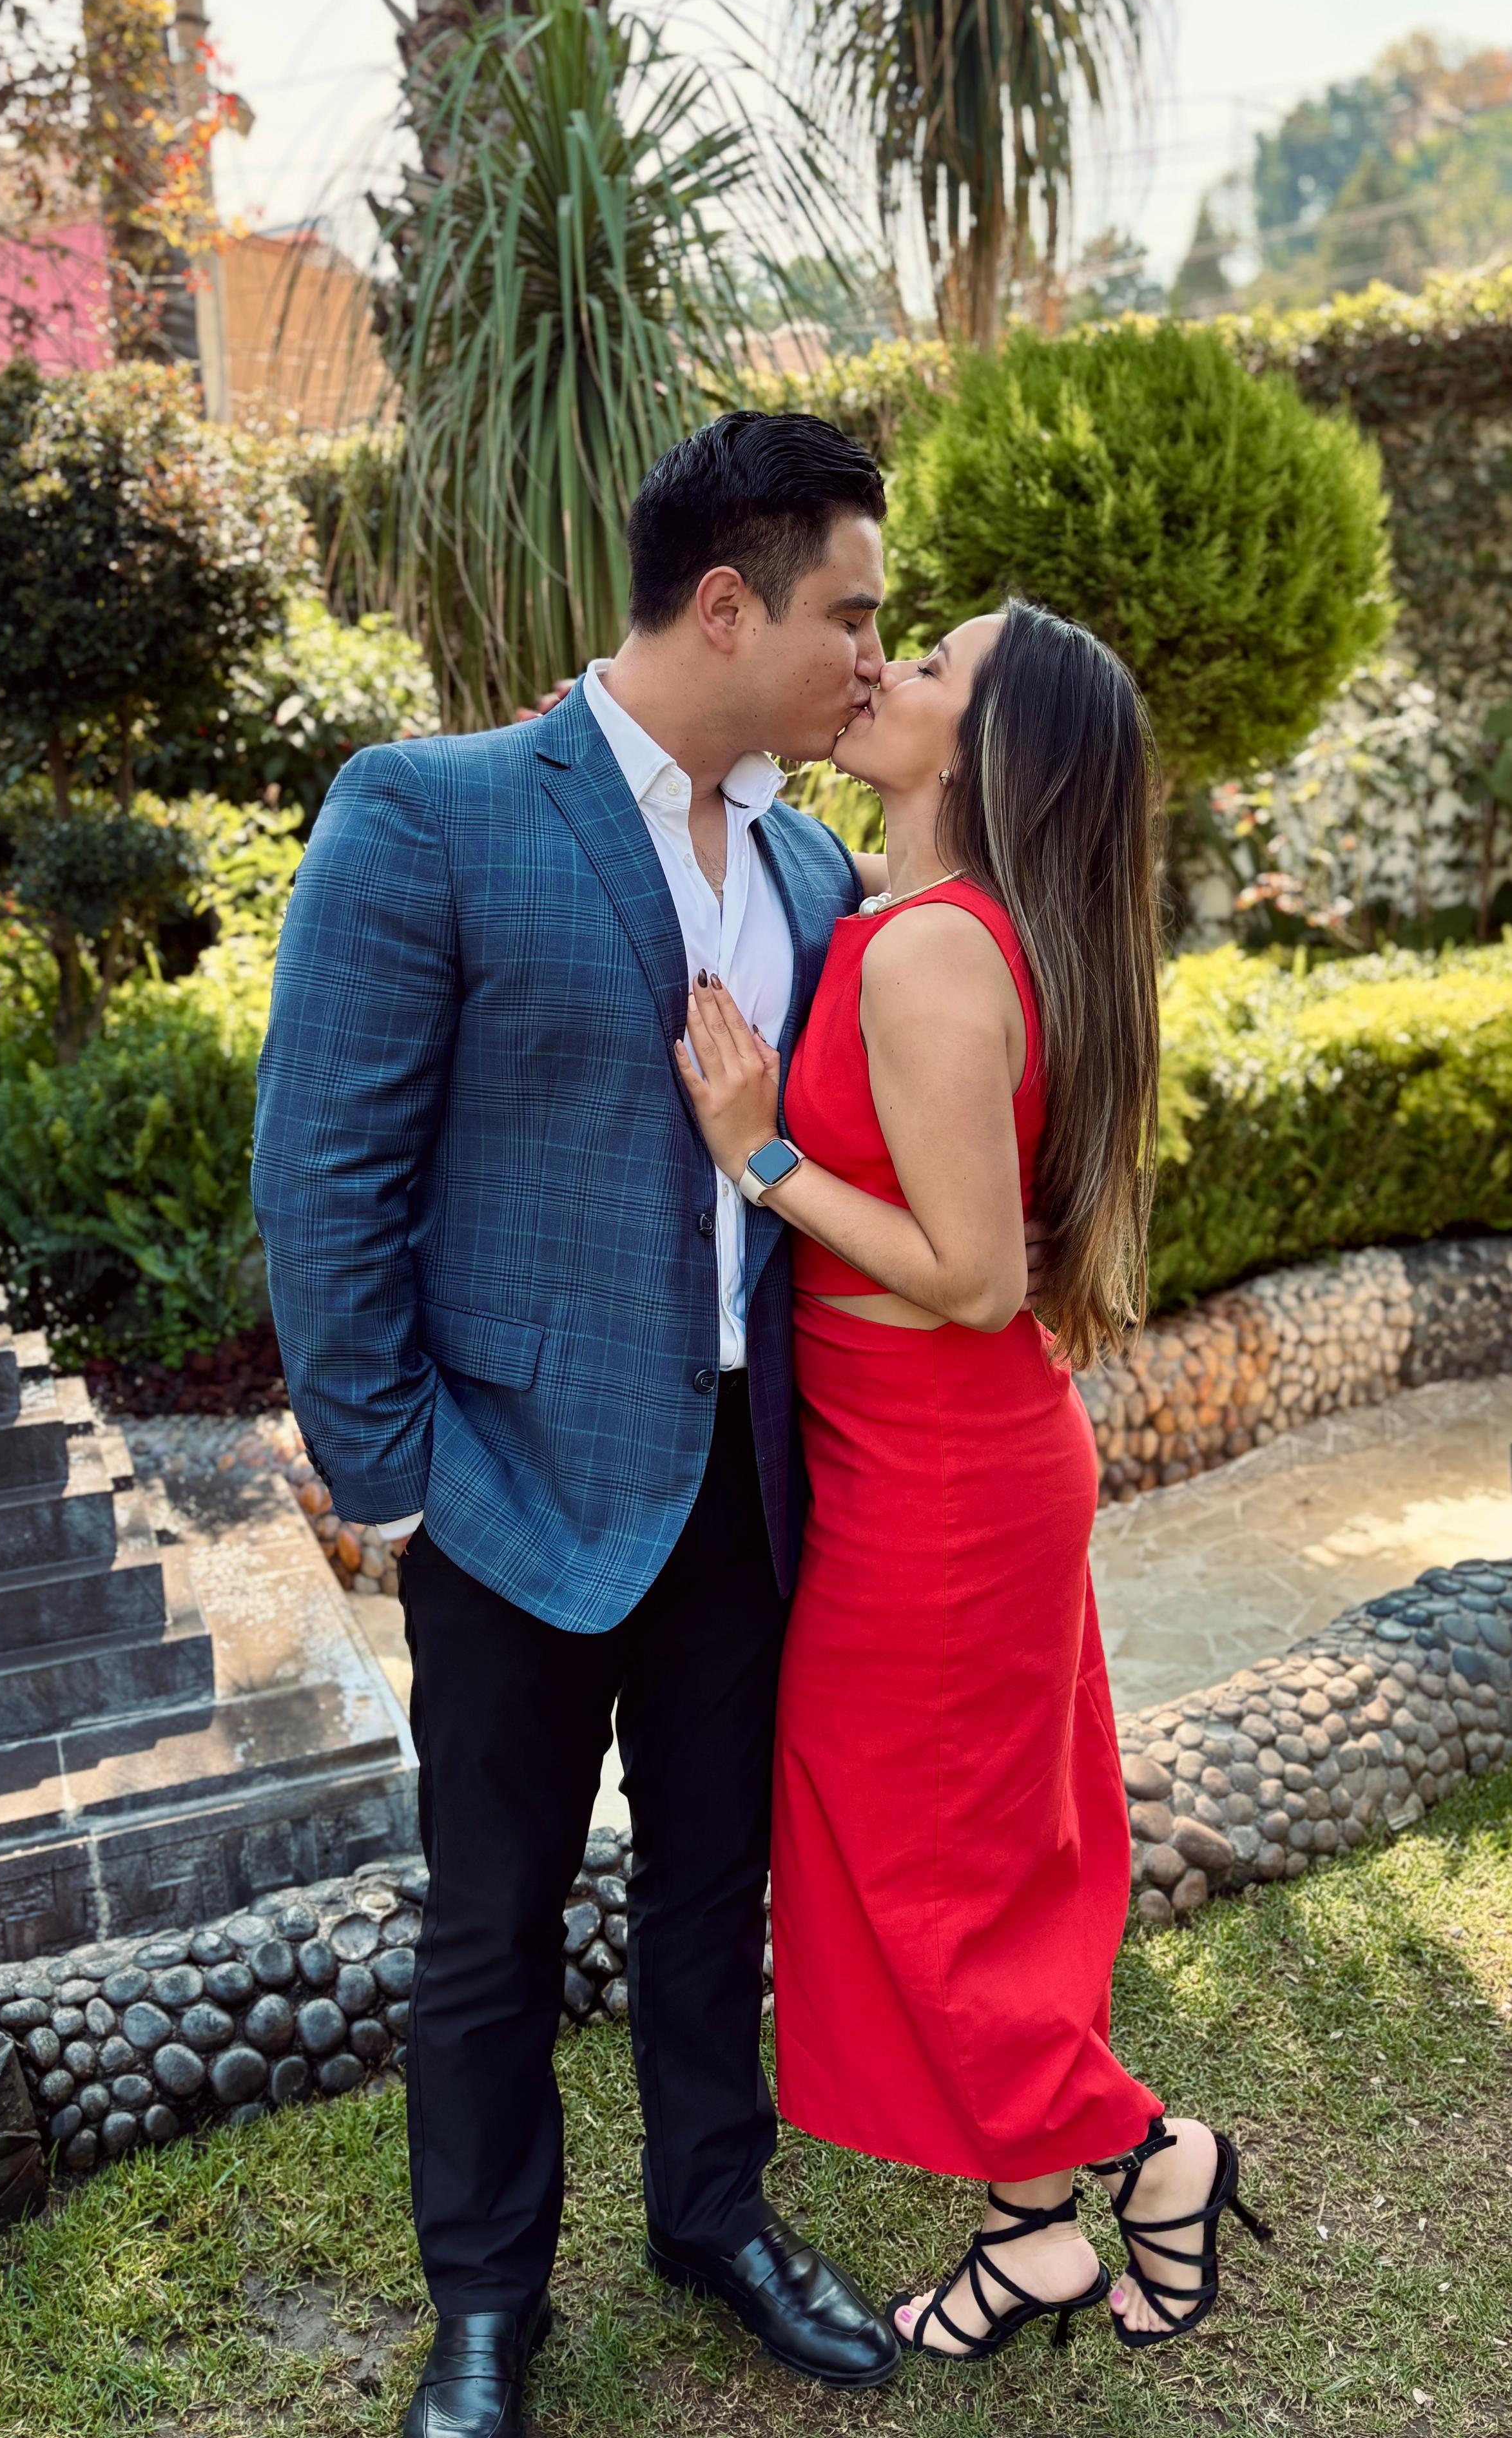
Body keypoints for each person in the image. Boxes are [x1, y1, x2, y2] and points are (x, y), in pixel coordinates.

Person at [251, 411, 908, 2438]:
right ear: (724, 606)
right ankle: (483, 2302)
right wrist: (400, 1484)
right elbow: (325, 1177)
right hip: (507, 1489)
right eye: (847, 616)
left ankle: (713, 2219)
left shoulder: (811, 863)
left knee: (713, 1890)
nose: (869, 658)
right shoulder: (429, 810)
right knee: (491, 1921)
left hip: (746, 1486)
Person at [675, 601, 1270, 2367]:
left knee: (907, 1870)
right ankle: (1035, 2238)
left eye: (930, 664)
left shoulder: (935, 953)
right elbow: (773, 841)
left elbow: (970, 1274)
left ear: (993, 749)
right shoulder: (922, 914)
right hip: (935, 1459)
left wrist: (759, 1154)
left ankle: (1151, 2158)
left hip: (937, 1480)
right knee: (963, 1864)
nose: (887, 671)